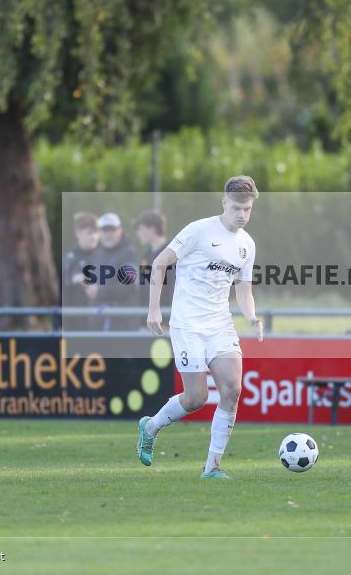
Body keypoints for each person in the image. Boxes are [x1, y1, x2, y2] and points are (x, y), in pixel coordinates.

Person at [137, 176, 262, 478]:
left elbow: (243, 290)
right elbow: (159, 263)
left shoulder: (246, 245)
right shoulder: (199, 230)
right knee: (196, 398)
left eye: (247, 209)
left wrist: (252, 317)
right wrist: (154, 309)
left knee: (231, 389)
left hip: (220, 324)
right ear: (224, 203)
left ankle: (212, 467)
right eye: (236, 208)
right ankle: (151, 426)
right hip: (188, 325)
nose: (242, 215)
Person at [86, 212, 140, 331]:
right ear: (99, 233)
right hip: (98, 324)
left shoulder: (129, 254)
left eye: (112, 230)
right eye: (105, 230)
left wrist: (100, 292)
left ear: (120, 230)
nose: (108, 234)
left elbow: (130, 285)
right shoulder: (95, 254)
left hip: (123, 326)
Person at [61, 212, 99, 330]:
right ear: (78, 233)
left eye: (96, 232)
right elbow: (64, 294)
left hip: (101, 322)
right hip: (76, 323)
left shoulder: (106, 258)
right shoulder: (70, 260)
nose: (94, 236)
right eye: (89, 232)